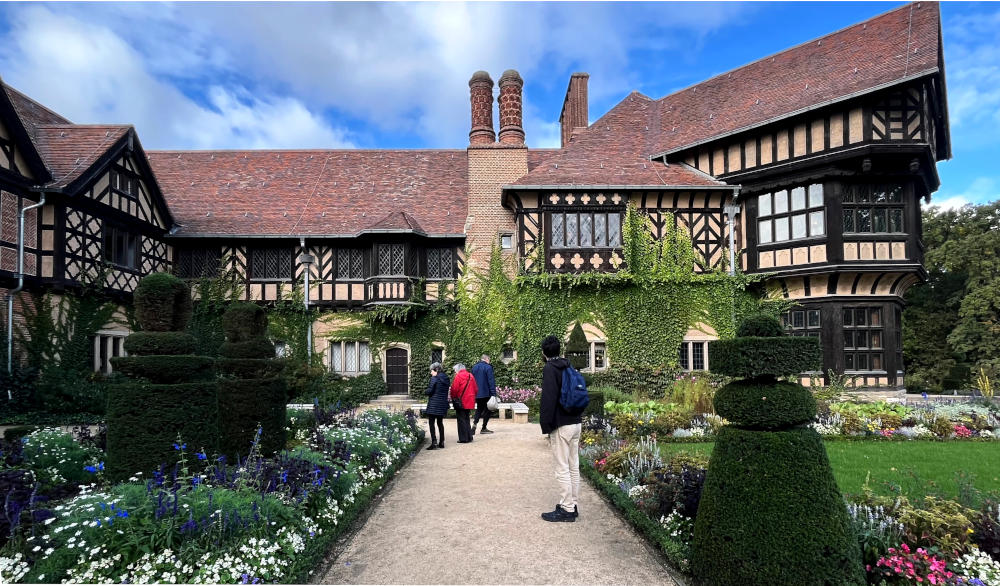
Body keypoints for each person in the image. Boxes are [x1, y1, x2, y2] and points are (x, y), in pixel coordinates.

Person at [538, 334, 581, 522]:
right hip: (575, 422)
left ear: (544, 352)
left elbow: (548, 399)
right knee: (573, 466)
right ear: (559, 350)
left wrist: (546, 426)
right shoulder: (568, 365)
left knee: (562, 468)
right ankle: (573, 503)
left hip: (561, 424)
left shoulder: (550, 368)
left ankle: (567, 509)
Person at [424, 362, 450, 450]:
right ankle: (442, 442)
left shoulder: (434, 379)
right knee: (440, 423)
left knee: (431, 423)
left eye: (431, 370)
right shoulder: (446, 378)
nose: (431, 372)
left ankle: (434, 442)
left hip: (434, 404)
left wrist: (425, 391)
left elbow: (430, 391)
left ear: (436, 370)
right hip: (442, 404)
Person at [449, 363, 478, 443]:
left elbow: (454, 389)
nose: (455, 372)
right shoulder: (470, 375)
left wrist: (454, 398)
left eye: (455, 371)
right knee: (467, 418)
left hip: (461, 401)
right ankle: (469, 436)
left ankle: (463, 438)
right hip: (470, 400)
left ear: (458, 370)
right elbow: (476, 389)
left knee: (461, 419)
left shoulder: (458, 376)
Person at [471, 354, 497, 435]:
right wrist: (493, 393)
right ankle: (484, 428)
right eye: (489, 360)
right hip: (486, 393)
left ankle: (474, 425)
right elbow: (491, 381)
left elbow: (472, 380)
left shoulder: (474, 367)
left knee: (479, 409)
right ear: (487, 359)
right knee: (488, 410)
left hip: (477, 393)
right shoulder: (488, 367)